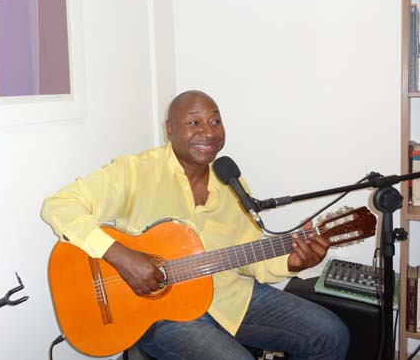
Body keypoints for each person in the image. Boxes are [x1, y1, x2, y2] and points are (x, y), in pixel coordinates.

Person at [41, 90, 349, 360]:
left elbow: (249, 254)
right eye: (194, 122)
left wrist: (293, 262)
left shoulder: (231, 182)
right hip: (161, 315)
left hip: (230, 298)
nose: (209, 132)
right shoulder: (135, 172)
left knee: (330, 334)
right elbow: (59, 205)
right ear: (170, 130)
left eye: (215, 121)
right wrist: (120, 256)